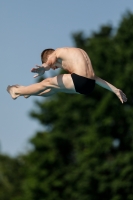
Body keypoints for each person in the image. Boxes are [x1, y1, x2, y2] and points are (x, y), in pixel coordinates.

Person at [7, 47, 127, 103]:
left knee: (47, 82)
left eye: (55, 67)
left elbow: (50, 62)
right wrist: (115, 90)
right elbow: (94, 78)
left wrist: (44, 67)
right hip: (89, 86)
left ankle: (17, 91)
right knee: (53, 89)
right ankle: (28, 92)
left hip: (80, 81)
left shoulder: (58, 52)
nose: (55, 68)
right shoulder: (79, 53)